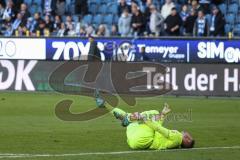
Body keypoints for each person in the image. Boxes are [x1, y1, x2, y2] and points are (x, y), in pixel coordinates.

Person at [94, 90, 195, 150]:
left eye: (189, 136)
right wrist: (163, 114)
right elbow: (157, 128)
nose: (188, 133)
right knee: (128, 117)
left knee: (153, 113)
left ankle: (107, 107)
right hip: (135, 142)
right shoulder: (174, 142)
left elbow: (159, 128)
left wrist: (144, 118)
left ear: (187, 140)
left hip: (145, 138)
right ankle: (106, 105)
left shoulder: (178, 137)